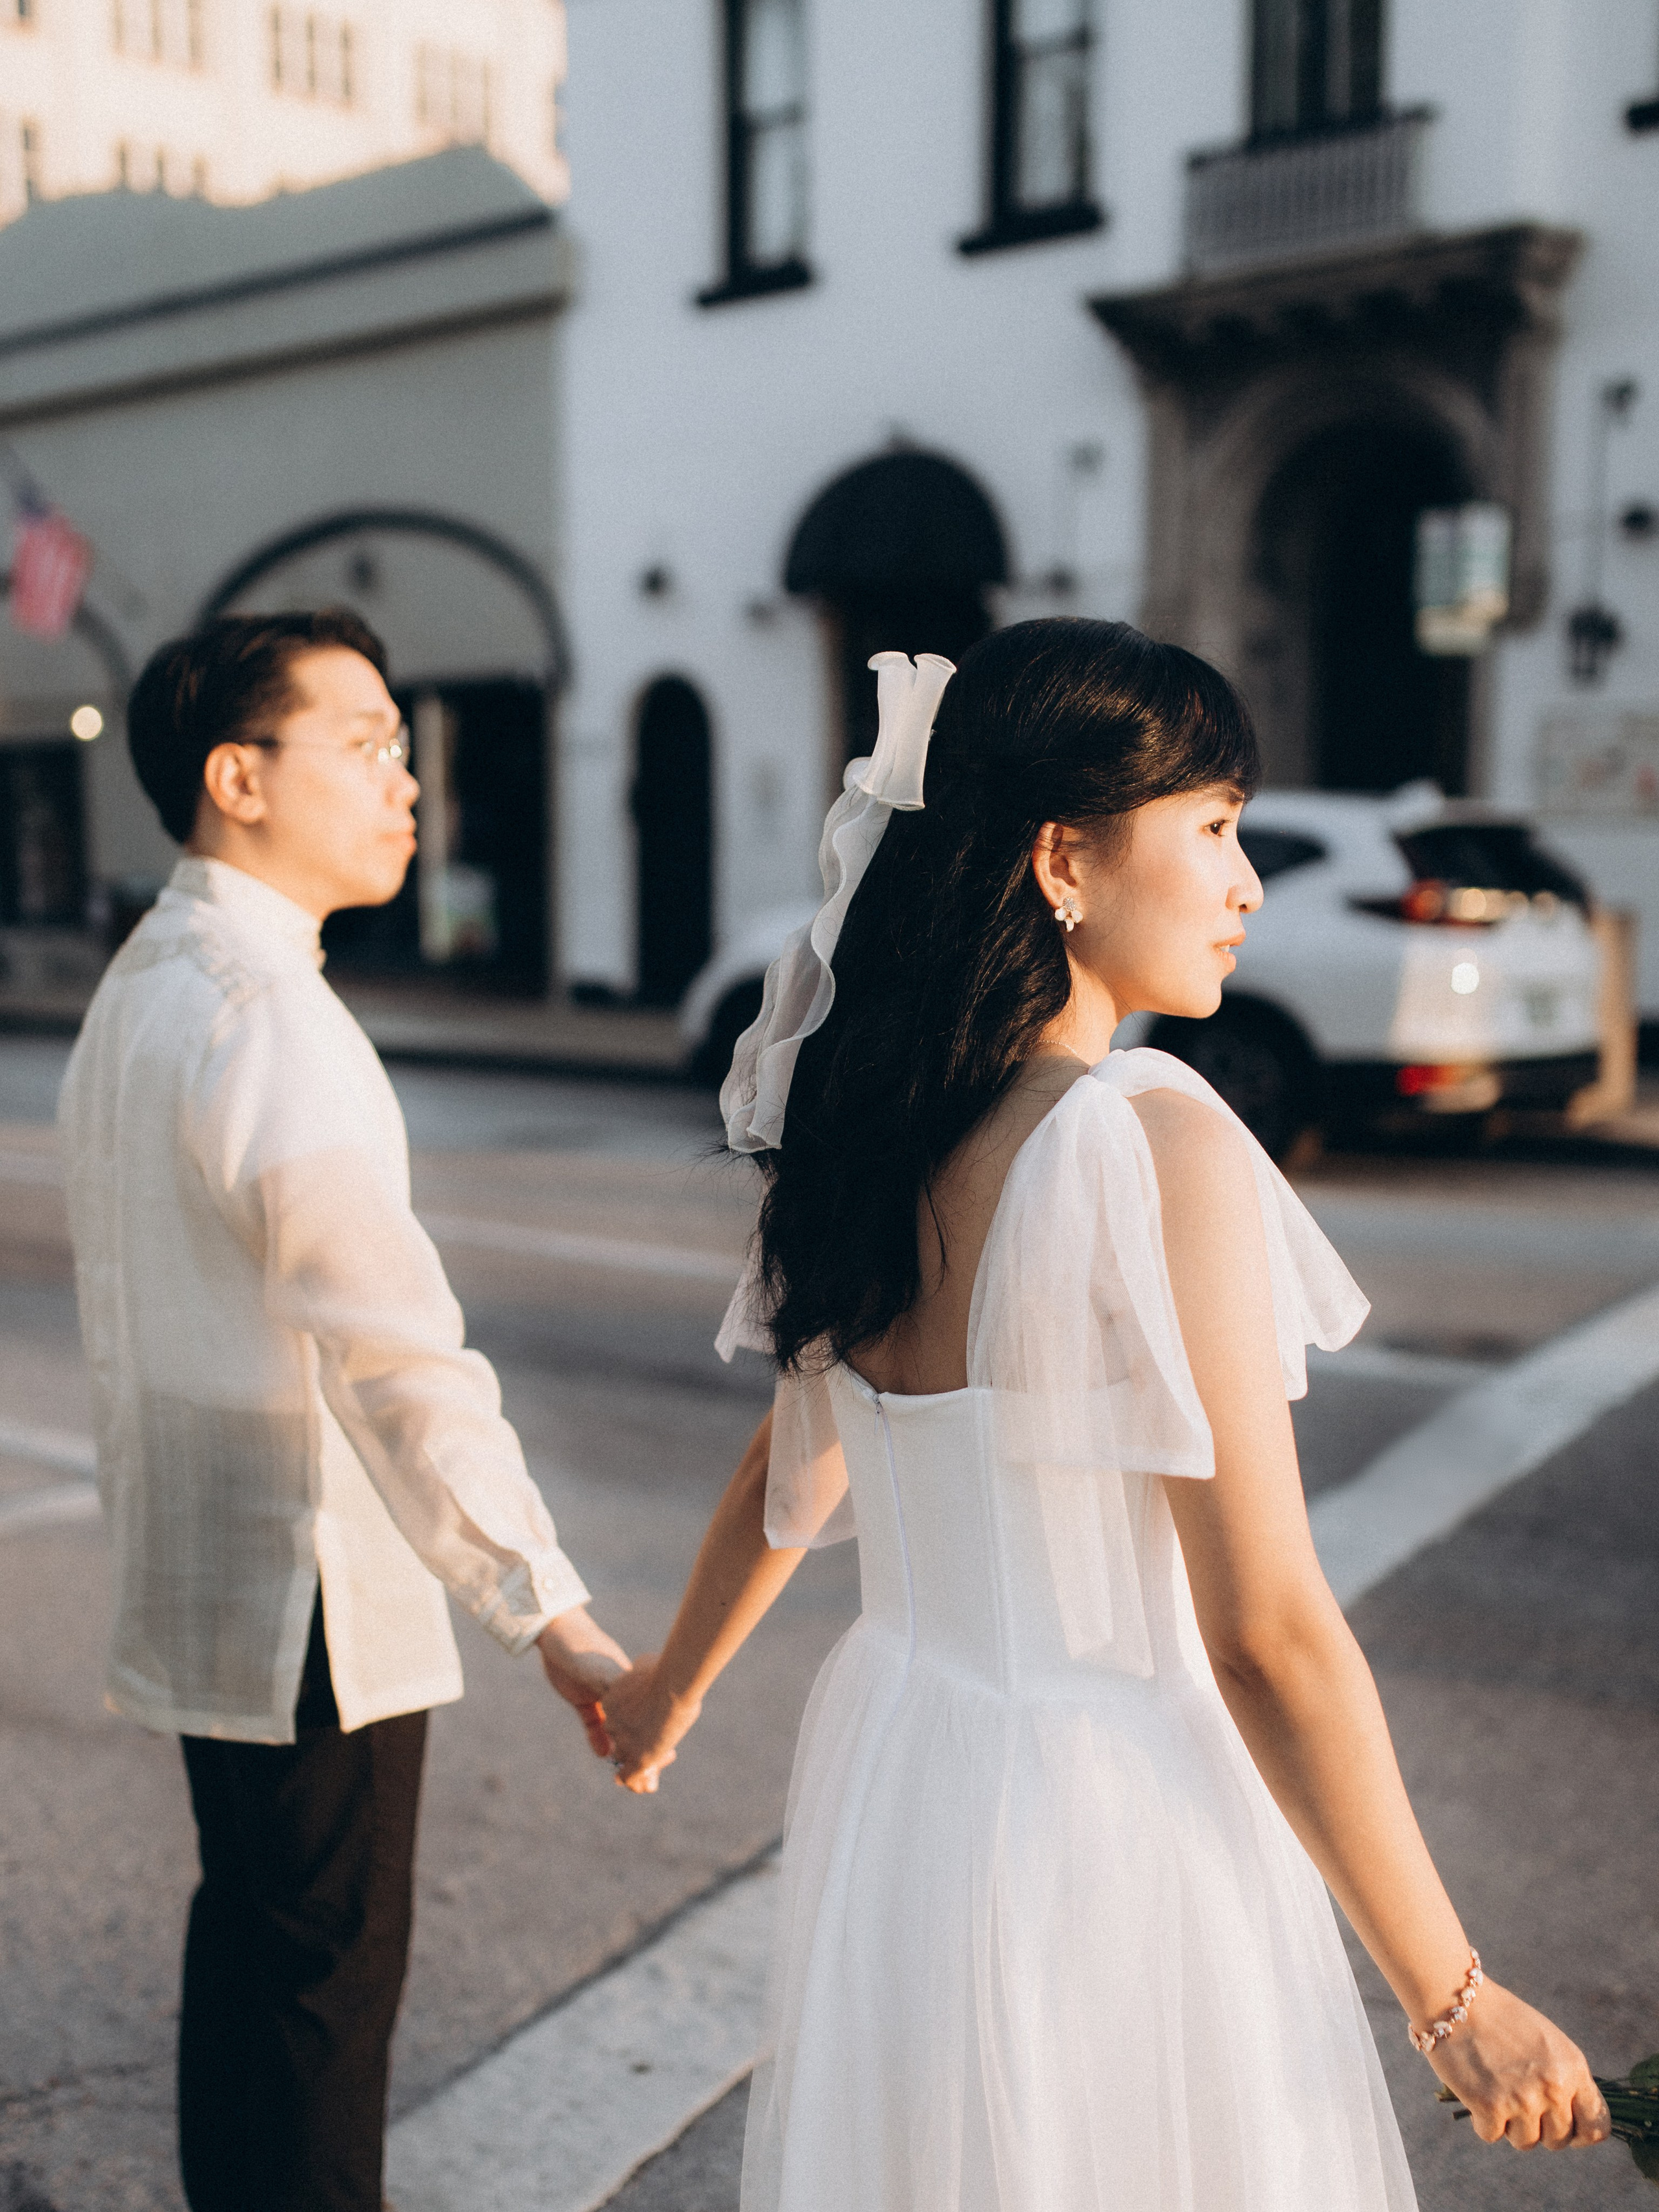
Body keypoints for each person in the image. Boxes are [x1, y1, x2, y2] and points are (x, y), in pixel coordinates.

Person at [601, 622, 1610, 2209]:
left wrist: (669, 1689)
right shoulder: (1150, 1143)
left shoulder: (862, 1136)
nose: (1245, 882)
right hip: (1110, 1817)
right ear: (1062, 859)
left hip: (914, 1779)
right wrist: (1452, 1999)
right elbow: (1263, 1630)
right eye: (1212, 828)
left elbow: (788, 1471)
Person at [57, 611, 630, 2212]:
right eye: (366, 743)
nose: (408, 783)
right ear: (238, 777)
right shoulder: (266, 1018)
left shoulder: (147, 985)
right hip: (304, 1591)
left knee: (253, 1955)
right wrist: (553, 1617)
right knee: (317, 1997)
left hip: (206, 1575)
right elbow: (397, 1356)